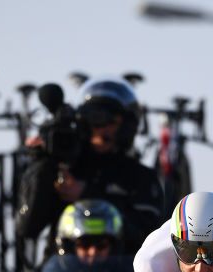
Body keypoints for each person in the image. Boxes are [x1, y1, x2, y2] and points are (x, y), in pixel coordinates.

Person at [15, 77, 163, 261]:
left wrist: (86, 195)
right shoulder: (64, 168)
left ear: (126, 125)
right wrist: (42, 166)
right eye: (92, 121)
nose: (100, 130)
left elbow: (150, 236)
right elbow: (27, 228)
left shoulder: (141, 178)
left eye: (109, 121)